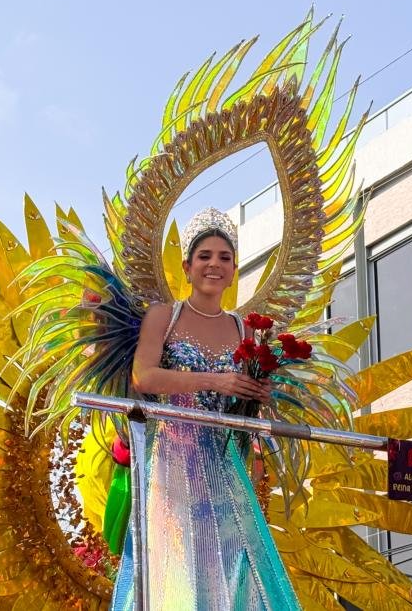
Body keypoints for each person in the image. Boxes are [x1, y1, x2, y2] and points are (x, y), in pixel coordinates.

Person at [110, 207, 301, 610]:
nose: (215, 264)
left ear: (234, 269)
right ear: (187, 266)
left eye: (224, 257)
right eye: (205, 256)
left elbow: (240, 402)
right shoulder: (165, 315)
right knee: (173, 567)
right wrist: (216, 380)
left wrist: (255, 392)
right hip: (173, 460)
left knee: (238, 565)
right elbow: (144, 376)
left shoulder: (244, 329)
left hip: (224, 460)